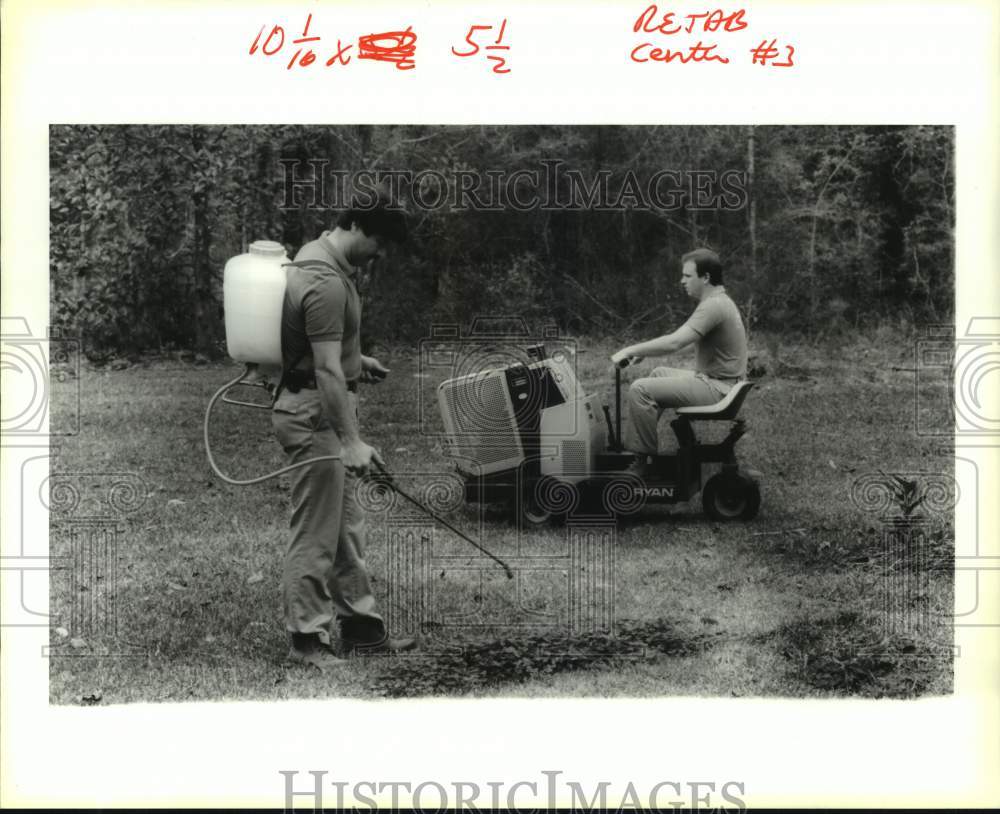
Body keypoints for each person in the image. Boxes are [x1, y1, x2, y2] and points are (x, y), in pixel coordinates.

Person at [271, 191, 414, 670]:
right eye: (380, 241)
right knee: (316, 529)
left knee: (345, 528)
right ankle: (306, 638)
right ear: (354, 224)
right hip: (315, 413)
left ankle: (361, 628)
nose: (382, 253)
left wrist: (358, 361)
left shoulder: (332, 267)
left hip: (323, 403)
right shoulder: (323, 278)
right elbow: (326, 370)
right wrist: (351, 441)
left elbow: (329, 353)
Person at [610, 248, 747, 464]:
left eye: (687, 275)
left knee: (640, 389)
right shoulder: (721, 301)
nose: (682, 281)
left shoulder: (713, 306)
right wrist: (646, 353)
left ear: (705, 278)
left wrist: (631, 349)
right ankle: (640, 441)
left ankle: (640, 462)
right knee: (658, 374)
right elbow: (691, 342)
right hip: (721, 384)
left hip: (718, 389)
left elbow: (676, 341)